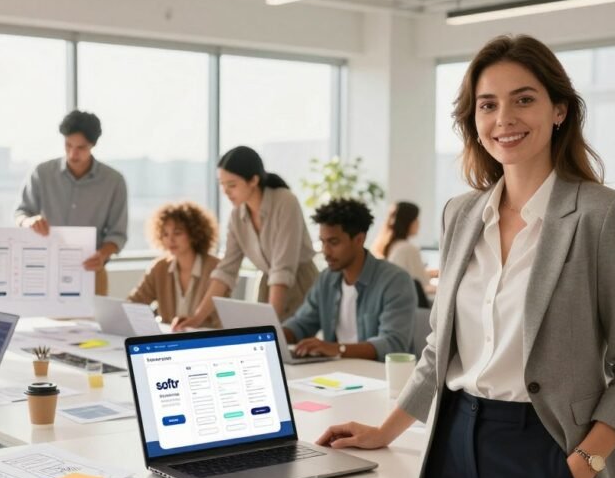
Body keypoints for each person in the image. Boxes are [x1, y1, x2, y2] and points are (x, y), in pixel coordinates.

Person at [314, 35, 615, 478]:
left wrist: (585, 463)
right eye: (488, 104)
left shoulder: (602, 215)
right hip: (455, 445)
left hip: (547, 449)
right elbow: (439, 348)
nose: (505, 118)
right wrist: (387, 429)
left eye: (524, 99)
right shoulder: (461, 213)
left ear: (559, 109)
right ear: (472, 120)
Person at [175, 146, 317, 329]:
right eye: (222, 184)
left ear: (253, 180)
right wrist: (197, 318)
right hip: (268, 288)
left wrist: (270, 325)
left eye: (232, 185)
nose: (226, 191)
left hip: (299, 286)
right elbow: (226, 271)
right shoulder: (237, 215)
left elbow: (283, 269)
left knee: (292, 347)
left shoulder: (285, 201)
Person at [283, 198, 416, 359]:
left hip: (378, 377)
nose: (325, 251)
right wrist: (272, 336)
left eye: (333, 242)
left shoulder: (395, 281)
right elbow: (302, 324)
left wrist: (338, 349)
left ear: (359, 239)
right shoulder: (327, 278)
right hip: (336, 374)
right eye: (322, 242)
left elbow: (393, 345)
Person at [15, 110, 128, 296]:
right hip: (44, 271)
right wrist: (29, 222)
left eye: (81, 147)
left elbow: (118, 234)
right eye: (68, 145)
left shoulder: (114, 181)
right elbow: (21, 212)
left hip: (91, 272)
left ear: (93, 145)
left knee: (93, 325)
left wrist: (102, 254)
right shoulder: (41, 173)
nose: (73, 153)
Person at [127, 201, 226, 328]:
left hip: (206, 338)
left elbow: (220, 317)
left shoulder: (216, 268)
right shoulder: (159, 268)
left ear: (193, 234)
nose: (170, 240)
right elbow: (134, 303)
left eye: (177, 233)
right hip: (170, 339)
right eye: (165, 234)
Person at [370, 200, 431, 307]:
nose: (418, 223)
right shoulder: (408, 249)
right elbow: (421, 285)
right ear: (408, 222)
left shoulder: (391, 246)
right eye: (416, 219)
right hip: (416, 310)